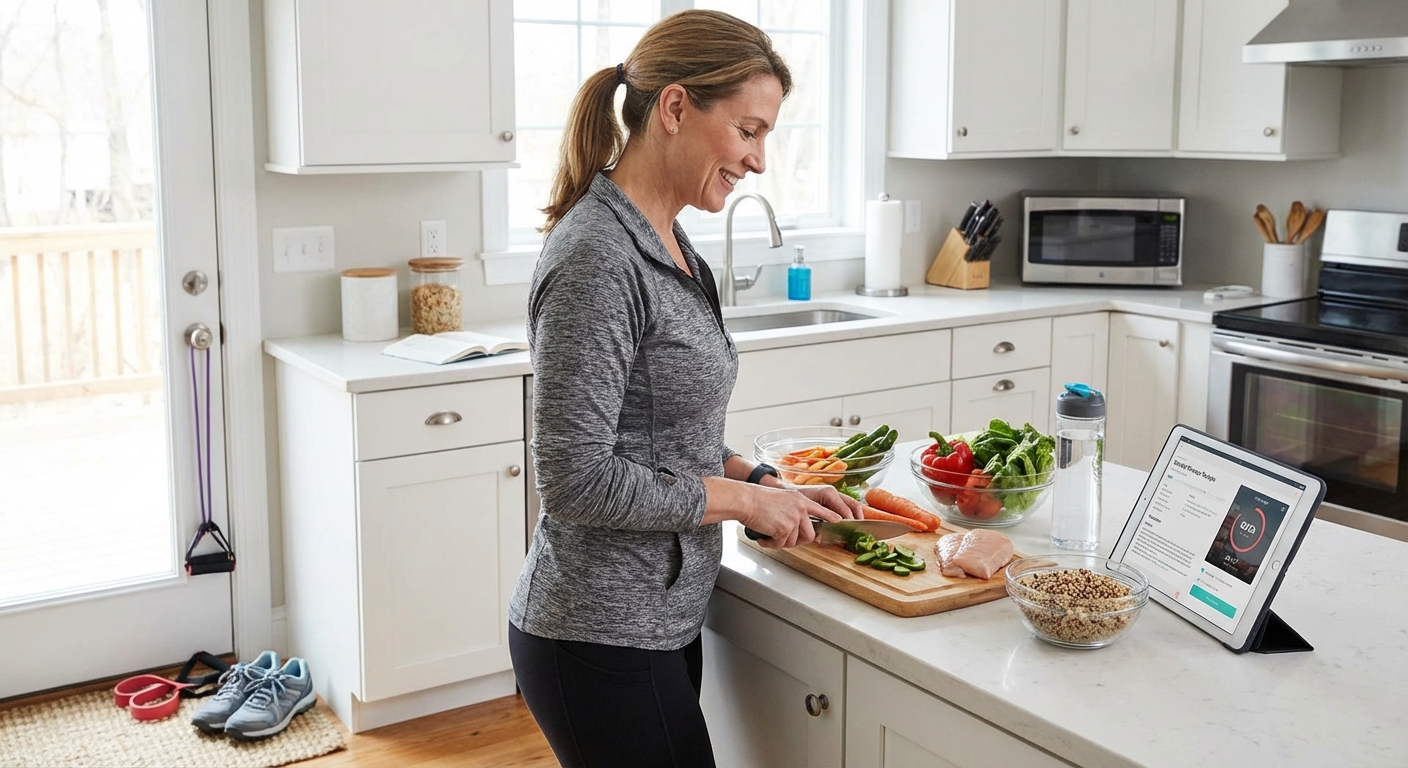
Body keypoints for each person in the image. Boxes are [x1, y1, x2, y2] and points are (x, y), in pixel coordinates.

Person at [507, 9, 864, 768]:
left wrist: (767, 481)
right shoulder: (598, 258)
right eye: (748, 130)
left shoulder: (671, 239)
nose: (759, 160)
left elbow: (668, 436)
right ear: (674, 108)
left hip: (659, 618)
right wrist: (744, 504)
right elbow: (575, 480)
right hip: (596, 633)